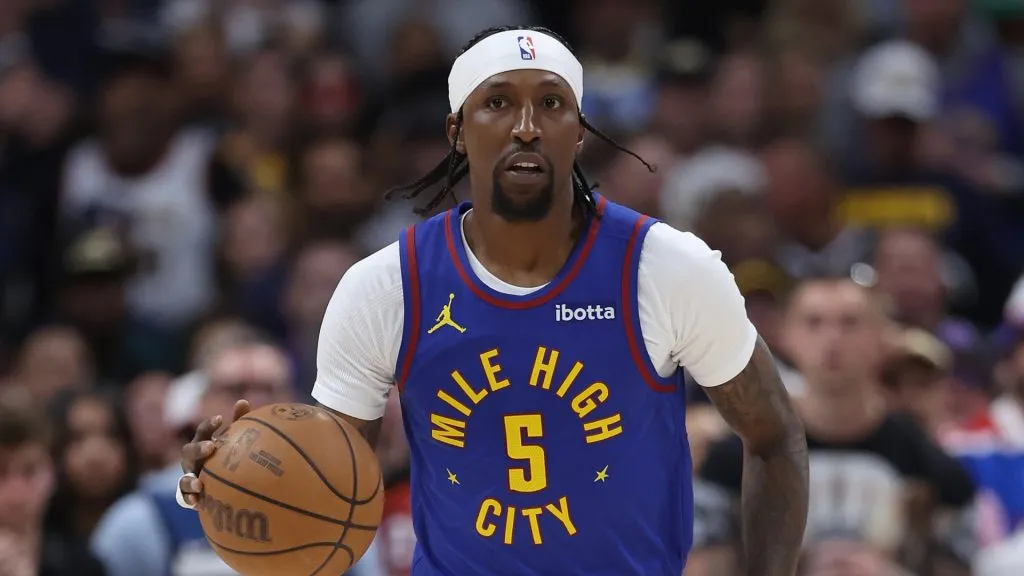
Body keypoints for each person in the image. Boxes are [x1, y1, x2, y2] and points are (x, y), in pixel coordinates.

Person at [177, 25, 809, 575]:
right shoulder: (385, 286)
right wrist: (233, 479)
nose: (526, 127)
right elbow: (328, 485)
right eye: (499, 103)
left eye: (552, 104)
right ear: (457, 129)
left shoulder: (668, 268)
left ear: (580, 131)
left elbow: (775, 438)